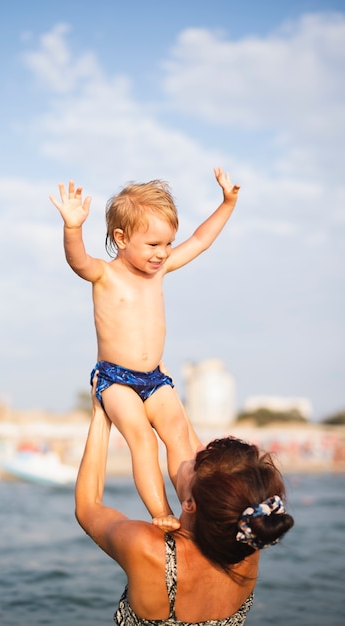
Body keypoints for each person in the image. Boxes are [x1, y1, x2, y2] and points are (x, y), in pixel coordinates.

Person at [50, 168, 239, 524]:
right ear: (121, 238)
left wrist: (227, 203)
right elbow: (77, 261)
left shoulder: (159, 270)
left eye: (167, 243)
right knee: (143, 440)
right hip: (115, 380)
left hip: (154, 378)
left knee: (179, 434)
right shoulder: (104, 275)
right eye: (153, 245)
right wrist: (72, 227)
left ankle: (191, 503)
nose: (163, 253)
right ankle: (162, 512)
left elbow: (200, 240)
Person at [75, 388, 295, 626]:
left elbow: (88, 506)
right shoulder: (249, 538)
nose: (191, 456)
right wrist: (168, 392)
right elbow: (205, 467)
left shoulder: (148, 548)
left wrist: (99, 414)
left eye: (194, 464)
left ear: (190, 504)